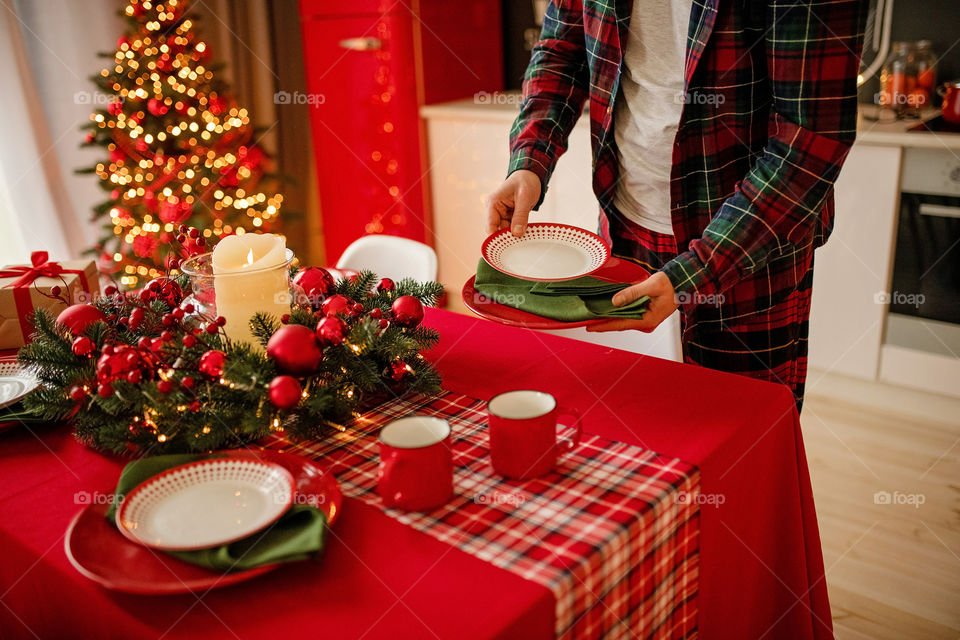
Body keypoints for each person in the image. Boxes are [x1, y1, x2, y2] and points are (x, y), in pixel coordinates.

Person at [486, 0, 866, 411]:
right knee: (628, 420)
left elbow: (810, 140)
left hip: (749, 257)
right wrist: (529, 159)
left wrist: (697, 272)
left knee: (741, 432)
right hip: (622, 236)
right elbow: (561, 52)